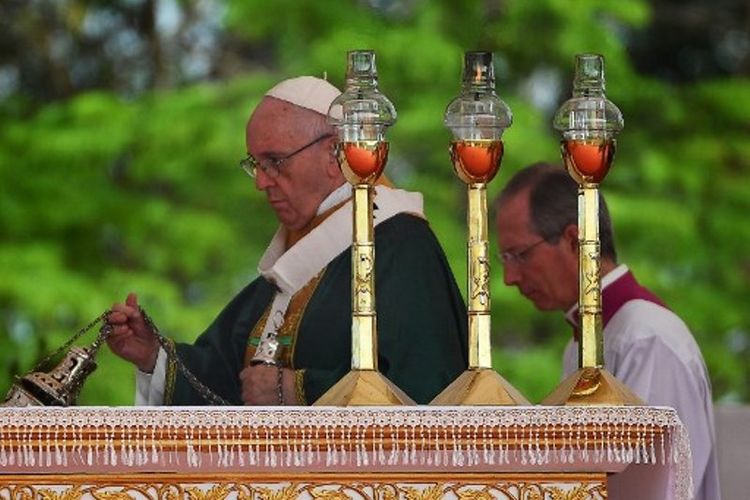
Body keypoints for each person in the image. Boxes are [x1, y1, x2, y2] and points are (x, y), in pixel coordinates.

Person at [106, 76, 468, 406]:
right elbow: (223, 378)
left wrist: (298, 390)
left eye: (275, 162)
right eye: (256, 164)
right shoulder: (292, 266)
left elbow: (428, 389)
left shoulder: (399, 245)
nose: (261, 182)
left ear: (336, 153)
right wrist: (154, 357)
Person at [493, 162, 720, 500]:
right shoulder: (582, 344)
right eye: (504, 259)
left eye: (519, 255)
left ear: (574, 240)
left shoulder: (647, 339)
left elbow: (659, 489)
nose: (509, 278)